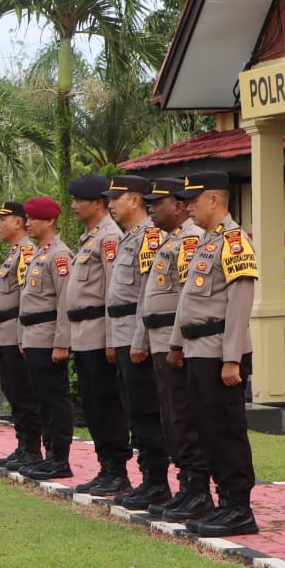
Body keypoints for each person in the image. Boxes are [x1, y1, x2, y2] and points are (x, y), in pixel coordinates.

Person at [168, 171, 258, 537]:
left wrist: (232, 357)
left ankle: (239, 507)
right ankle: (224, 502)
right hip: (197, 349)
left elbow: (240, 302)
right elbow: (187, 299)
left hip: (221, 350)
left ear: (215, 201)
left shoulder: (235, 242)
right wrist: (177, 344)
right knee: (206, 428)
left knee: (226, 430)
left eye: (194, 199)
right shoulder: (205, 242)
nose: (188, 206)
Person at [132, 178, 213, 521]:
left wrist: (177, 343)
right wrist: (142, 338)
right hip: (158, 337)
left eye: (158, 203)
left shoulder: (191, 239)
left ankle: (197, 489)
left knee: (183, 415)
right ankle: (184, 486)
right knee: (169, 415)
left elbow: (186, 297)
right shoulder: (167, 240)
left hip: (174, 340)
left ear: (179, 207)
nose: (151, 208)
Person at [103, 174, 171, 508]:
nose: (111, 205)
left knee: (146, 410)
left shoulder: (150, 237)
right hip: (122, 332)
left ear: (134, 200)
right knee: (133, 408)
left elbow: (147, 293)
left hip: (136, 333)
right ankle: (148, 479)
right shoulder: (130, 238)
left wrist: (140, 340)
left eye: (116, 198)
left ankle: (157, 481)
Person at [63, 173, 129, 494]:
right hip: (83, 333)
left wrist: (112, 340)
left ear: (99, 203)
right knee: (92, 404)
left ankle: (117, 470)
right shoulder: (89, 237)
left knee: (106, 403)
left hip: (100, 334)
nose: (74, 206)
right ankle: (106, 468)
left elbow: (113, 293)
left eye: (79, 200)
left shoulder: (109, 238)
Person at [16, 196, 74, 480]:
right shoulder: (40, 253)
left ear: (49, 221)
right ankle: (48, 452)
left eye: (33, 218)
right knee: (40, 398)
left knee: (54, 399)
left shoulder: (59, 255)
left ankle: (60, 458)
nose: (28, 223)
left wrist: (62, 342)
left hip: (49, 337)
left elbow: (65, 302)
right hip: (33, 337)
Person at [0, 201, 43, 472]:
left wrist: (22, 334)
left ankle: (32, 449)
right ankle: (23, 445)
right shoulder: (14, 252)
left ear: (18, 223)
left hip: (15, 333)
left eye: (3, 219)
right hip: (4, 332)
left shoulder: (27, 252)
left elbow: (27, 296)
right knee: (12, 390)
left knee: (23, 392)